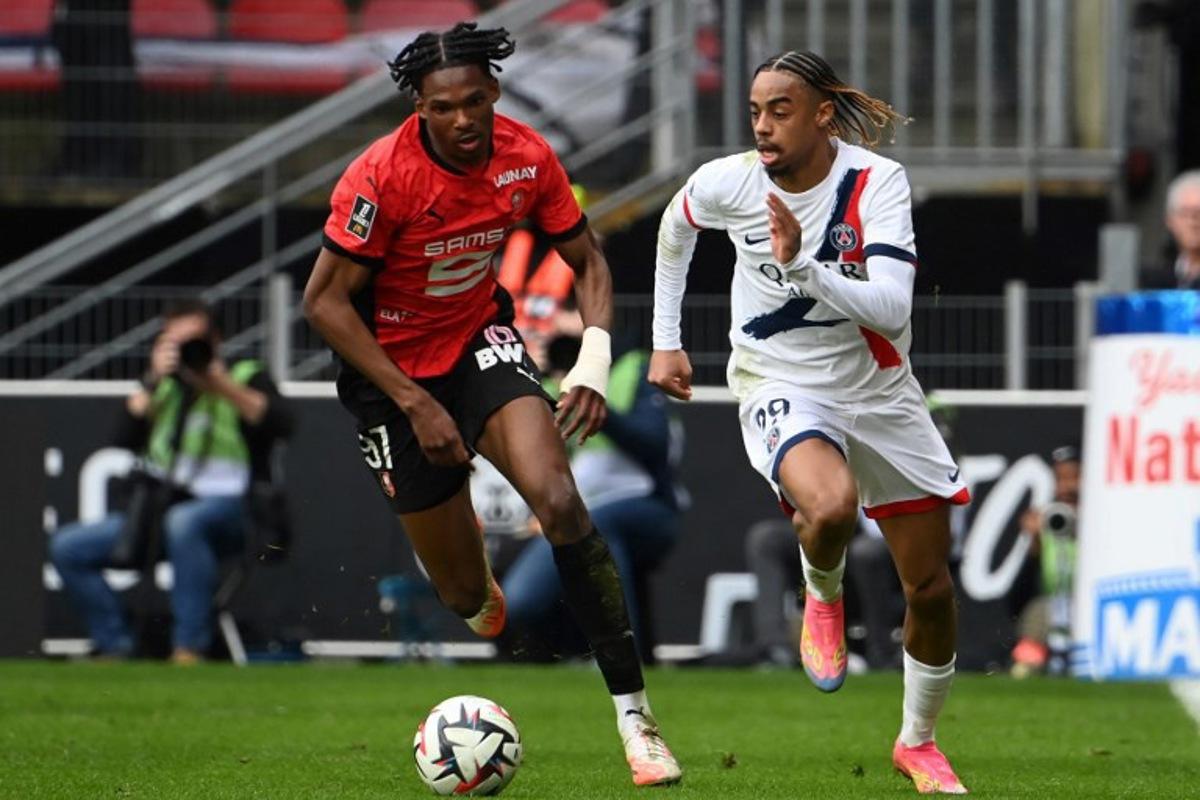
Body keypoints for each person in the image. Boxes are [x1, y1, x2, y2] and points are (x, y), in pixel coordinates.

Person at [301, 22, 680, 787]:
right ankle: (471, 560)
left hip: (480, 342)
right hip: (391, 377)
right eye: (444, 107)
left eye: (475, 101)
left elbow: (587, 259)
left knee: (560, 501)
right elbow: (324, 303)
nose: (464, 119)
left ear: (496, 92)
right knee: (466, 598)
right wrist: (414, 404)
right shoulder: (381, 177)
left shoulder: (527, 155)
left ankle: (637, 722)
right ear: (419, 108)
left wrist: (593, 364)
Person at [650, 51, 970, 793]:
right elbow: (675, 227)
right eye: (755, 112)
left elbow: (891, 306)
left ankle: (917, 743)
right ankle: (822, 590)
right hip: (780, 378)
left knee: (929, 588)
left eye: (780, 110)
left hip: (880, 389)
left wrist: (802, 266)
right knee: (829, 507)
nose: (762, 126)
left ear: (823, 115)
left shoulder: (876, 183)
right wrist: (667, 339)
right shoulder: (730, 181)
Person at [50, 300, 294, 664]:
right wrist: (152, 379)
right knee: (68, 546)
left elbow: (282, 423)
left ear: (216, 340)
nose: (184, 352)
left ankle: (188, 648)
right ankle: (115, 642)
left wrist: (218, 383)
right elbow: (122, 437)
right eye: (174, 342)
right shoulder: (163, 386)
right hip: (159, 508)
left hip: (232, 512)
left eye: (193, 341)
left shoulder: (244, 375)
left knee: (184, 523)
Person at [502, 333, 685, 664]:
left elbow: (655, 444)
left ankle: (622, 656)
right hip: (577, 509)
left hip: (646, 506)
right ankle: (597, 655)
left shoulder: (632, 368)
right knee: (520, 599)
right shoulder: (549, 380)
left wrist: (594, 404)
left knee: (598, 526)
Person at [1010, 443, 1081, 678]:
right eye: (1060, 479)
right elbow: (1017, 599)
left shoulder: (1104, 519)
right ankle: (1026, 669)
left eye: (1075, 477)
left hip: (1088, 607)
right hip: (1052, 606)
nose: (1066, 487)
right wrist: (1034, 545)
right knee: (1038, 611)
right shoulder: (1049, 520)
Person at [1143, 170, 1200, 290]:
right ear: (1169, 221)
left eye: (1198, 213)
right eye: (1185, 213)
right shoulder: (1152, 282)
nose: (1193, 222)